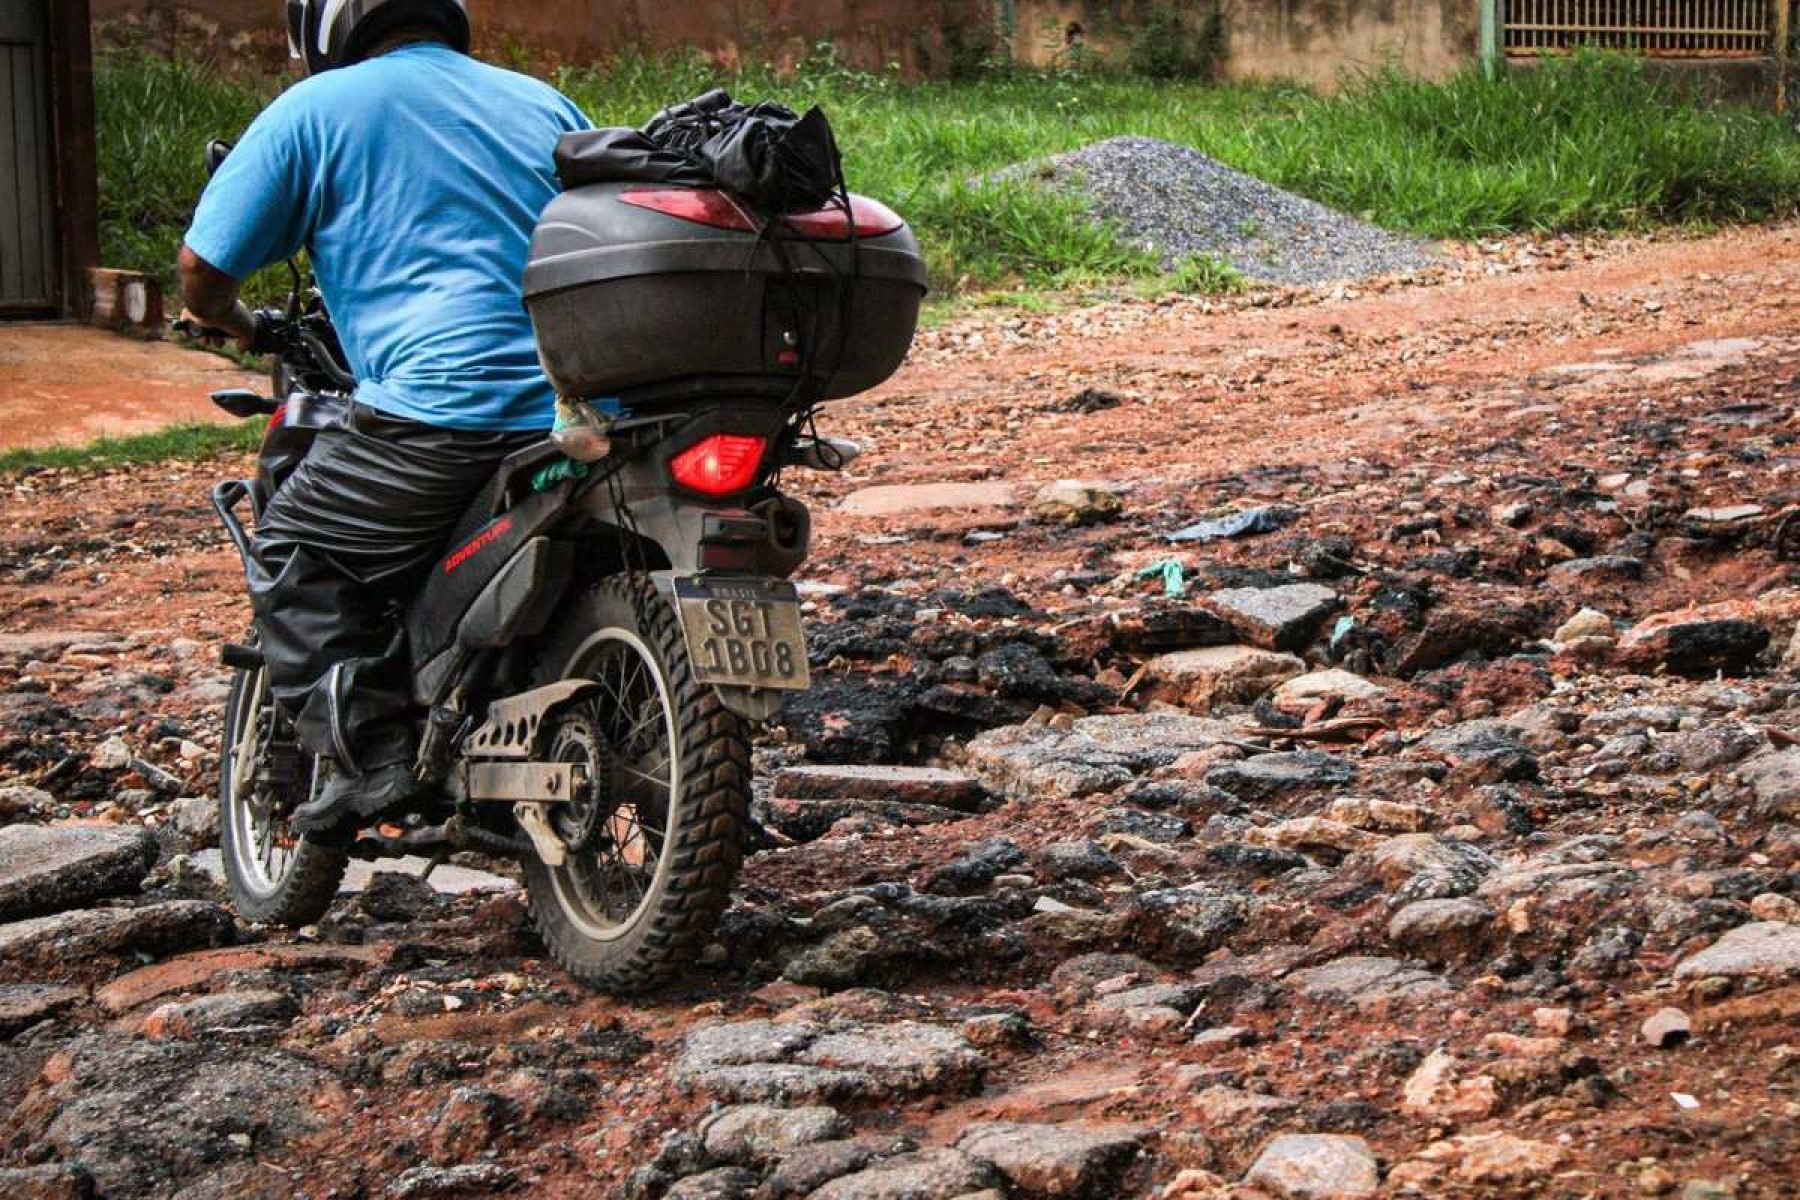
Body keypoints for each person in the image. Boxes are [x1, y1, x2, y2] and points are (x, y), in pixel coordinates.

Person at [178, 0, 590, 833]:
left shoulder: (313, 110)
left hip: (443, 409)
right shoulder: (544, 100)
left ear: (324, 28)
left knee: (296, 549)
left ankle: (374, 759)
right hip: (582, 400)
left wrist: (234, 322)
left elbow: (201, 267)